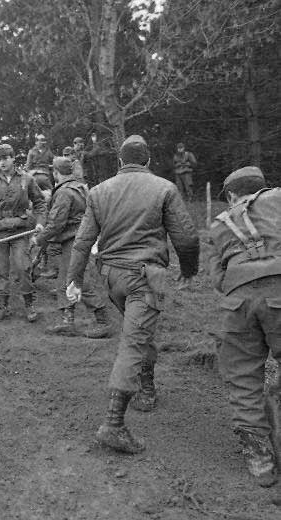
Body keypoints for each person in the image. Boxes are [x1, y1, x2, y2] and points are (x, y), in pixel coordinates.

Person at [66, 135, 199, 454]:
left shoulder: (98, 191)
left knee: (138, 331)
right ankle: (113, 423)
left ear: (120, 162)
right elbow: (187, 238)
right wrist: (190, 269)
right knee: (134, 340)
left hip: (112, 278)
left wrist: (74, 279)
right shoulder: (164, 188)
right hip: (144, 276)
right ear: (149, 160)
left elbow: (83, 241)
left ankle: (147, 388)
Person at [206, 166, 281, 487]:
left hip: (237, 303)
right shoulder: (278, 199)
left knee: (243, 379)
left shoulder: (219, 225)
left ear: (232, 196)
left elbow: (217, 279)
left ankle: (260, 461)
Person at [31, 157, 110, 338]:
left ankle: (103, 321)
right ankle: (68, 321)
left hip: (73, 241)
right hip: (82, 238)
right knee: (66, 281)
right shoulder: (81, 187)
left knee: (77, 282)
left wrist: (39, 239)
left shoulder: (64, 192)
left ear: (56, 172)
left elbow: (57, 223)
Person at [0, 144, 47, 322]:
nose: (2, 162)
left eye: (5, 158)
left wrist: (40, 223)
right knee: (0, 271)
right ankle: (2, 307)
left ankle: (29, 306)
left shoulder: (26, 179)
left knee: (22, 267)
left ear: (13, 158)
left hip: (20, 230)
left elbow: (40, 203)